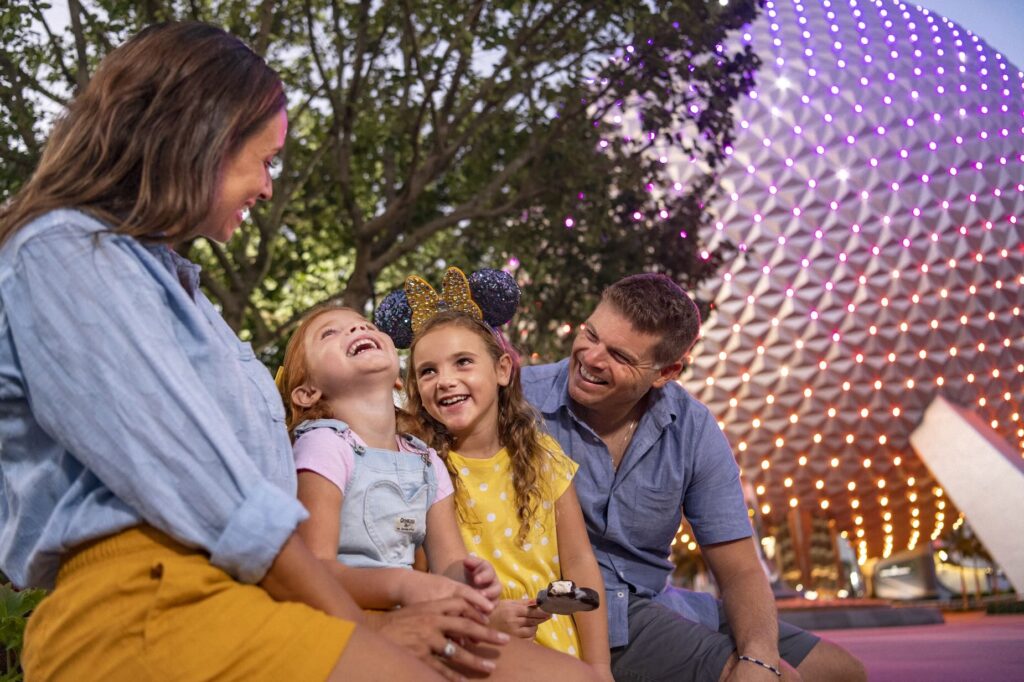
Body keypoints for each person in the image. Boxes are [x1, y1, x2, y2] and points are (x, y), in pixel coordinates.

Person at [0, 22, 495, 681]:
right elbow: (206, 480)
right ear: (200, 136)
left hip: (247, 592)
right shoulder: (61, 250)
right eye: (265, 160)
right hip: (145, 599)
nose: (267, 189)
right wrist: (361, 631)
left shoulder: (189, 301)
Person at [521, 274, 867, 681]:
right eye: (590, 335)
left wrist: (758, 657)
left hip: (656, 600)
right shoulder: (518, 400)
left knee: (841, 671)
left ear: (666, 373)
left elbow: (739, 569)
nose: (592, 358)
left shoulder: (693, 428)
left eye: (620, 356)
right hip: (578, 608)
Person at [278, 303, 595, 681]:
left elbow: (448, 563)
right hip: (348, 615)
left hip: (417, 612)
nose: (354, 330)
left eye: (363, 325)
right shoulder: (324, 446)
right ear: (307, 392)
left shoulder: (425, 460)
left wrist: (471, 578)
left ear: (396, 378)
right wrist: (405, 584)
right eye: (330, 333)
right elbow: (312, 569)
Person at [397, 274, 615, 682]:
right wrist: (484, 622)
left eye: (463, 362)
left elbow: (580, 562)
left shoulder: (541, 455)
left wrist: (599, 666)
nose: (445, 380)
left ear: (501, 369)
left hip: (562, 654)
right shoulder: (420, 467)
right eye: (428, 371)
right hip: (476, 652)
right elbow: (422, 579)